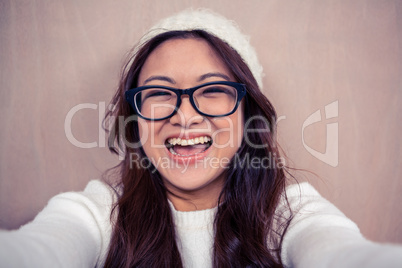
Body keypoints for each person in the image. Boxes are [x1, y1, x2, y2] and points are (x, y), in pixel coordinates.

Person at [0, 8, 401, 268]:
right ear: (135, 118)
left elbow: (341, 252)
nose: (186, 116)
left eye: (212, 90)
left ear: (248, 116)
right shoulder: (101, 210)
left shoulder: (289, 211)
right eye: (159, 93)